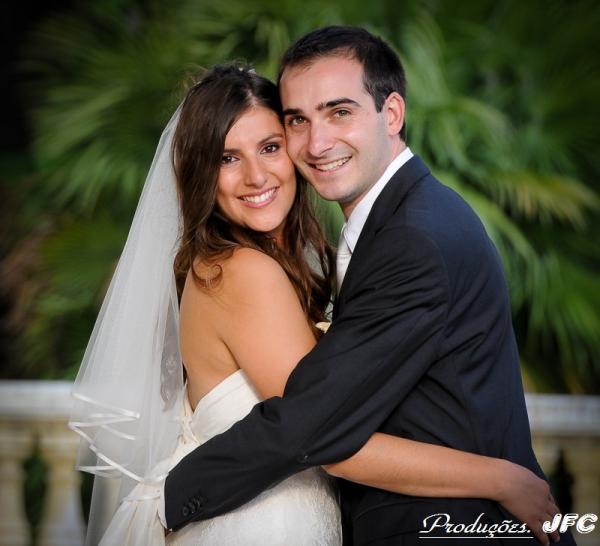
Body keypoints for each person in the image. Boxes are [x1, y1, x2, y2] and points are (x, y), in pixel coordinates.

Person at [70, 64, 560, 546]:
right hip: (261, 527)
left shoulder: (275, 264)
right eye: (228, 158)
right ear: (203, 174)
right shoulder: (242, 272)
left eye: (269, 147)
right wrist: (502, 479)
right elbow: (324, 437)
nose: (256, 176)